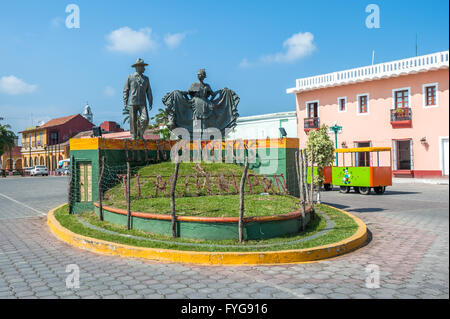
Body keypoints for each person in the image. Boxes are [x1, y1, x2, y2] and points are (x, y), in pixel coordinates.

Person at [123, 58, 153, 140]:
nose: (144, 68)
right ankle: (133, 135)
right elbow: (126, 90)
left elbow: (149, 91)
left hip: (142, 102)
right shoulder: (130, 77)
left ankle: (140, 133)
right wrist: (125, 101)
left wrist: (150, 101)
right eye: (143, 66)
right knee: (133, 120)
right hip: (132, 102)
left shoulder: (146, 79)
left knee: (145, 119)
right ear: (138, 67)